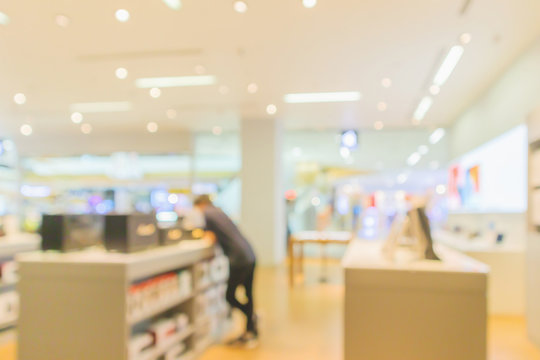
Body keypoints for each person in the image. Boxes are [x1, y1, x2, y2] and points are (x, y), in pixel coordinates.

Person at [193, 195, 258, 346]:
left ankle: (251, 318)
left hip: (239, 259)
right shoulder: (220, 212)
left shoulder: (208, 213)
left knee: (230, 296)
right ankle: (251, 329)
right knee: (248, 293)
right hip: (249, 255)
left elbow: (209, 238)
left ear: (201, 205)